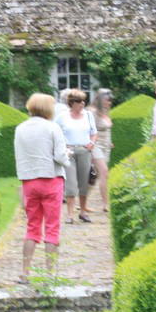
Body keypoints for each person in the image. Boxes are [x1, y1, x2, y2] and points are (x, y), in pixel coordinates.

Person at [14, 93, 69, 284]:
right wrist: (68, 157)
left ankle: (25, 273)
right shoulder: (52, 127)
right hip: (51, 180)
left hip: (29, 181)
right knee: (52, 228)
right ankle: (50, 275)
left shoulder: (20, 128)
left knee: (32, 227)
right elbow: (60, 156)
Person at [55, 88, 97, 224]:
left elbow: (94, 132)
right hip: (69, 153)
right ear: (72, 103)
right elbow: (54, 132)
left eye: (84, 101)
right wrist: (61, 146)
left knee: (84, 183)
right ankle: (70, 215)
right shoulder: (62, 117)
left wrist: (92, 143)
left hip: (84, 151)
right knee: (71, 184)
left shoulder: (88, 115)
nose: (82, 103)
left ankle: (83, 212)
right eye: (79, 101)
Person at [89, 88, 114, 212]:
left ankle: (83, 200)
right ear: (100, 100)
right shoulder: (92, 113)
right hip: (96, 146)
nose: (110, 103)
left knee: (96, 175)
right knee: (104, 172)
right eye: (107, 100)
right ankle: (105, 204)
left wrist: (109, 142)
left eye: (110, 100)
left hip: (105, 147)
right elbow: (89, 130)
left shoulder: (106, 112)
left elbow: (107, 130)